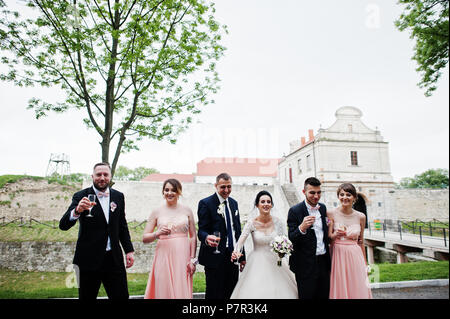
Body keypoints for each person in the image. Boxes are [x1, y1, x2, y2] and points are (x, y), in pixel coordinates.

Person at [59, 162, 135, 300]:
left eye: (105, 174)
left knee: (121, 297)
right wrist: (77, 211)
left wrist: (129, 250)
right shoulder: (80, 196)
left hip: (113, 260)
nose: (102, 178)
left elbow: (122, 225)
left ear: (110, 176)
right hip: (88, 260)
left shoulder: (119, 196)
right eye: (98, 174)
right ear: (92, 176)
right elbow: (63, 225)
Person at [230, 190, 298, 299]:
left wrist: (283, 251)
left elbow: (285, 240)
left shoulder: (278, 222)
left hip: (277, 263)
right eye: (263, 202)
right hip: (257, 262)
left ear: (271, 205)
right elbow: (240, 242)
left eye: (268, 202)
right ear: (257, 205)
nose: (266, 204)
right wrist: (236, 252)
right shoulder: (251, 223)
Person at [142, 179, 197, 299]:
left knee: (180, 287)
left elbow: (193, 236)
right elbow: (145, 238)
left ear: (179, 192)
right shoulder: (157, 211)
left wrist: (192, 259)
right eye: (166, 190)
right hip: (163, 255)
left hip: (183, 257)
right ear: (163, 192)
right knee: (163, 287)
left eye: (173, 190)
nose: (169, 193)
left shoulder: (187, 210)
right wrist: (157, 233)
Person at [197, 173, 246, 299]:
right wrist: (207, 238)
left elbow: (238, 232)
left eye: (229, 187)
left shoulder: (234, 203)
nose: (226, 190)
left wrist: (242, 256)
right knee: (214, 294)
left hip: (232, 256)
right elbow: (201, 230)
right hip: (214, 257)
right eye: (223, 187)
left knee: (231, 293)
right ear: (216, 186)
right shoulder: (205, 203)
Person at [287, 177, 331, 299]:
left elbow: (325, 232)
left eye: (319, 192)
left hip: (323, 262)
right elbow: (291, 237)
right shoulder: (294, 211)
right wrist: (302, 227)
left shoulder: (323, 208)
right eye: (312, 192)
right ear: (304, 192)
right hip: (305, 265)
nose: (316, 196)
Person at [327, 183, 372, 299]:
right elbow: (328, 238)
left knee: (356, 285)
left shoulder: (361, 216)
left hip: (355, 255)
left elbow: (361, 241)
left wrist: (365, 263)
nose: (344, 197)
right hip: (337, 254)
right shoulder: (330, 213)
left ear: (354, 198)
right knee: (340, 285)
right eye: (341, 194)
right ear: (338, 197)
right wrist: (335, 234)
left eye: (348, 194)